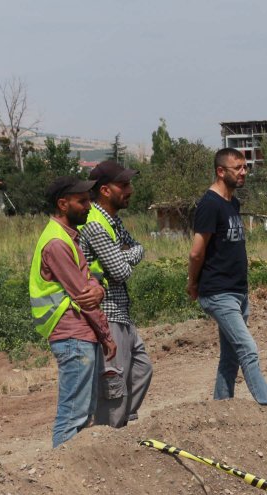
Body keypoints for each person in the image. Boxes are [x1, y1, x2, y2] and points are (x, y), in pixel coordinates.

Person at [30, 176, 117, 447]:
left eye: (89, 200)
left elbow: (90, 284)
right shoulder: (57, 243)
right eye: (82, 201)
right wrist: (106, 335)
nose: (89, 206)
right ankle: (59, 476)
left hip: (78, 334)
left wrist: (99, 289)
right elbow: (84, 296)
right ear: (63, 204)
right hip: (72, 335)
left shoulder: (67, 238)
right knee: (73, 415)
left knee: (84, 411)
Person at [186, 148, 267, 406]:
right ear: (221, 171)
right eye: (238, 168)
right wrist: (193, 283)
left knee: (230, 357)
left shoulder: (232, 203)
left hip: (237, 292)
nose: (244, 172)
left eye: (245, 167)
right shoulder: (209, 205)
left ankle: (221, 409)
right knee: (248, 349)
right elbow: (196, 253)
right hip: (218, 292)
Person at [79, 160, 153, 428]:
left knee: (142, 369)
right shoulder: (96, 224)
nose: (130, 189)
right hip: (107, 312)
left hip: (121, 311)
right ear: (105, 190)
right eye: (123, 185)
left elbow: (139, 248)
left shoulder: (113, 221)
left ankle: (119, 425)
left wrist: (125, 253)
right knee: (114, 381)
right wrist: (125, 255)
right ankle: (107, 433)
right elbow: (121, 272)